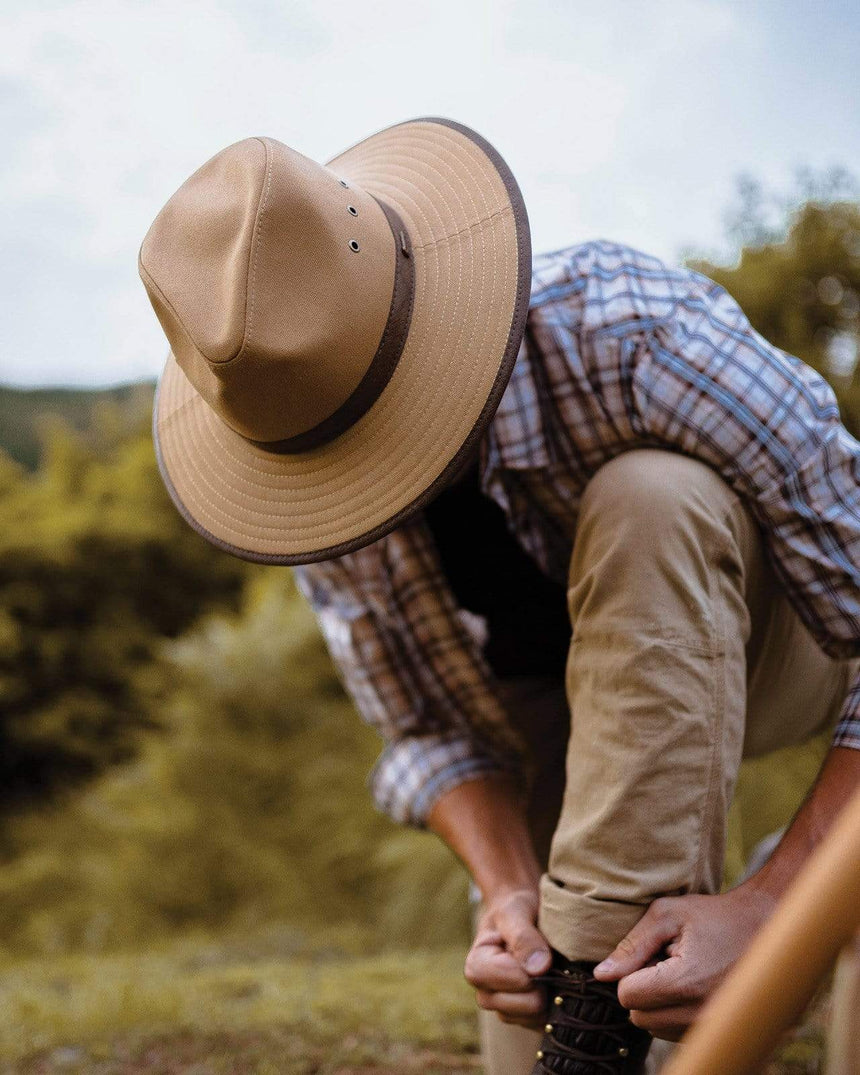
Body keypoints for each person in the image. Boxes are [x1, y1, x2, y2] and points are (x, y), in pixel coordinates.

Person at [139, 117, 860, 1075]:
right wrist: (508, 886)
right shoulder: (304, 457)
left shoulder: (634, 334)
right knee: (537, 997)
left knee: (651, 497)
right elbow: (429, 734)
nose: (364, 477)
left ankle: (604, 1029)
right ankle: (585, 994)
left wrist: (782, 898)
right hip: (560, 722)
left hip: (784, 643)